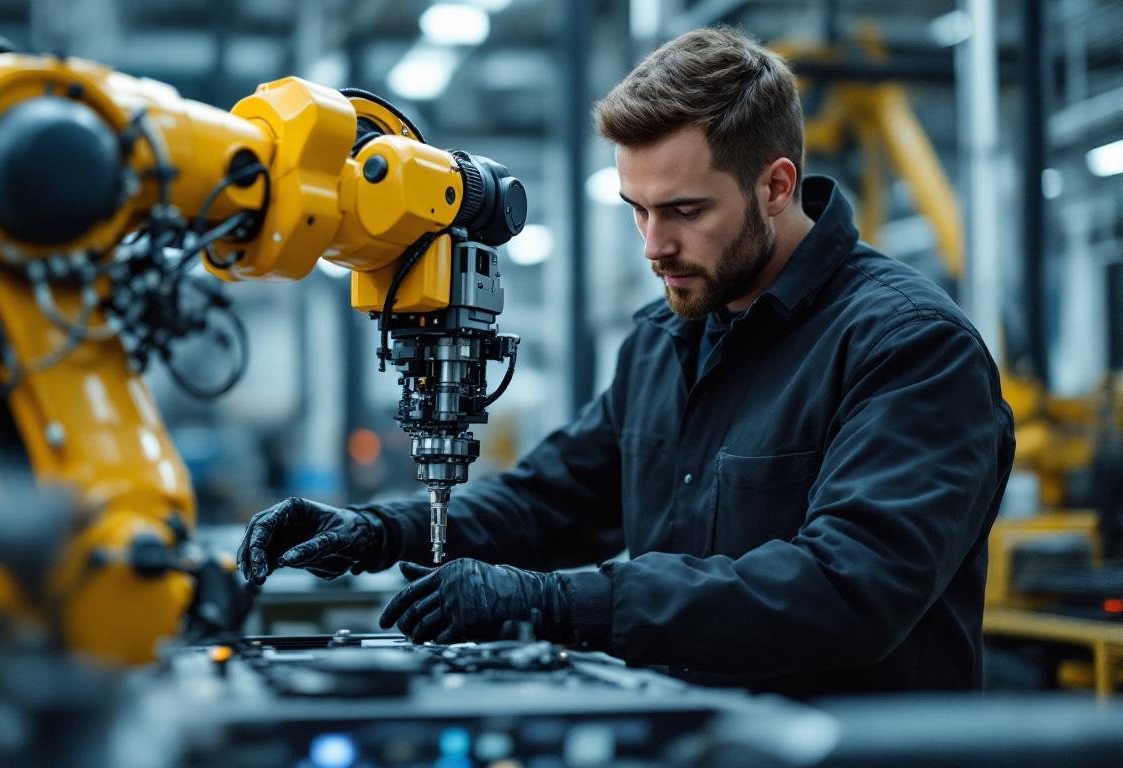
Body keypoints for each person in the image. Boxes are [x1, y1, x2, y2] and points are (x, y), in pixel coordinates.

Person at [236, 25, 1015, 697]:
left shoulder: (909, 347)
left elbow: (847, 591)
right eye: (637, 209)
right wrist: (378, 532)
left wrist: (563, 605)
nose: (653, 246)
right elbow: (553, 502)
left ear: (776, 186)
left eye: (684, 211)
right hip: (693, 737)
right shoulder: (663, 338)